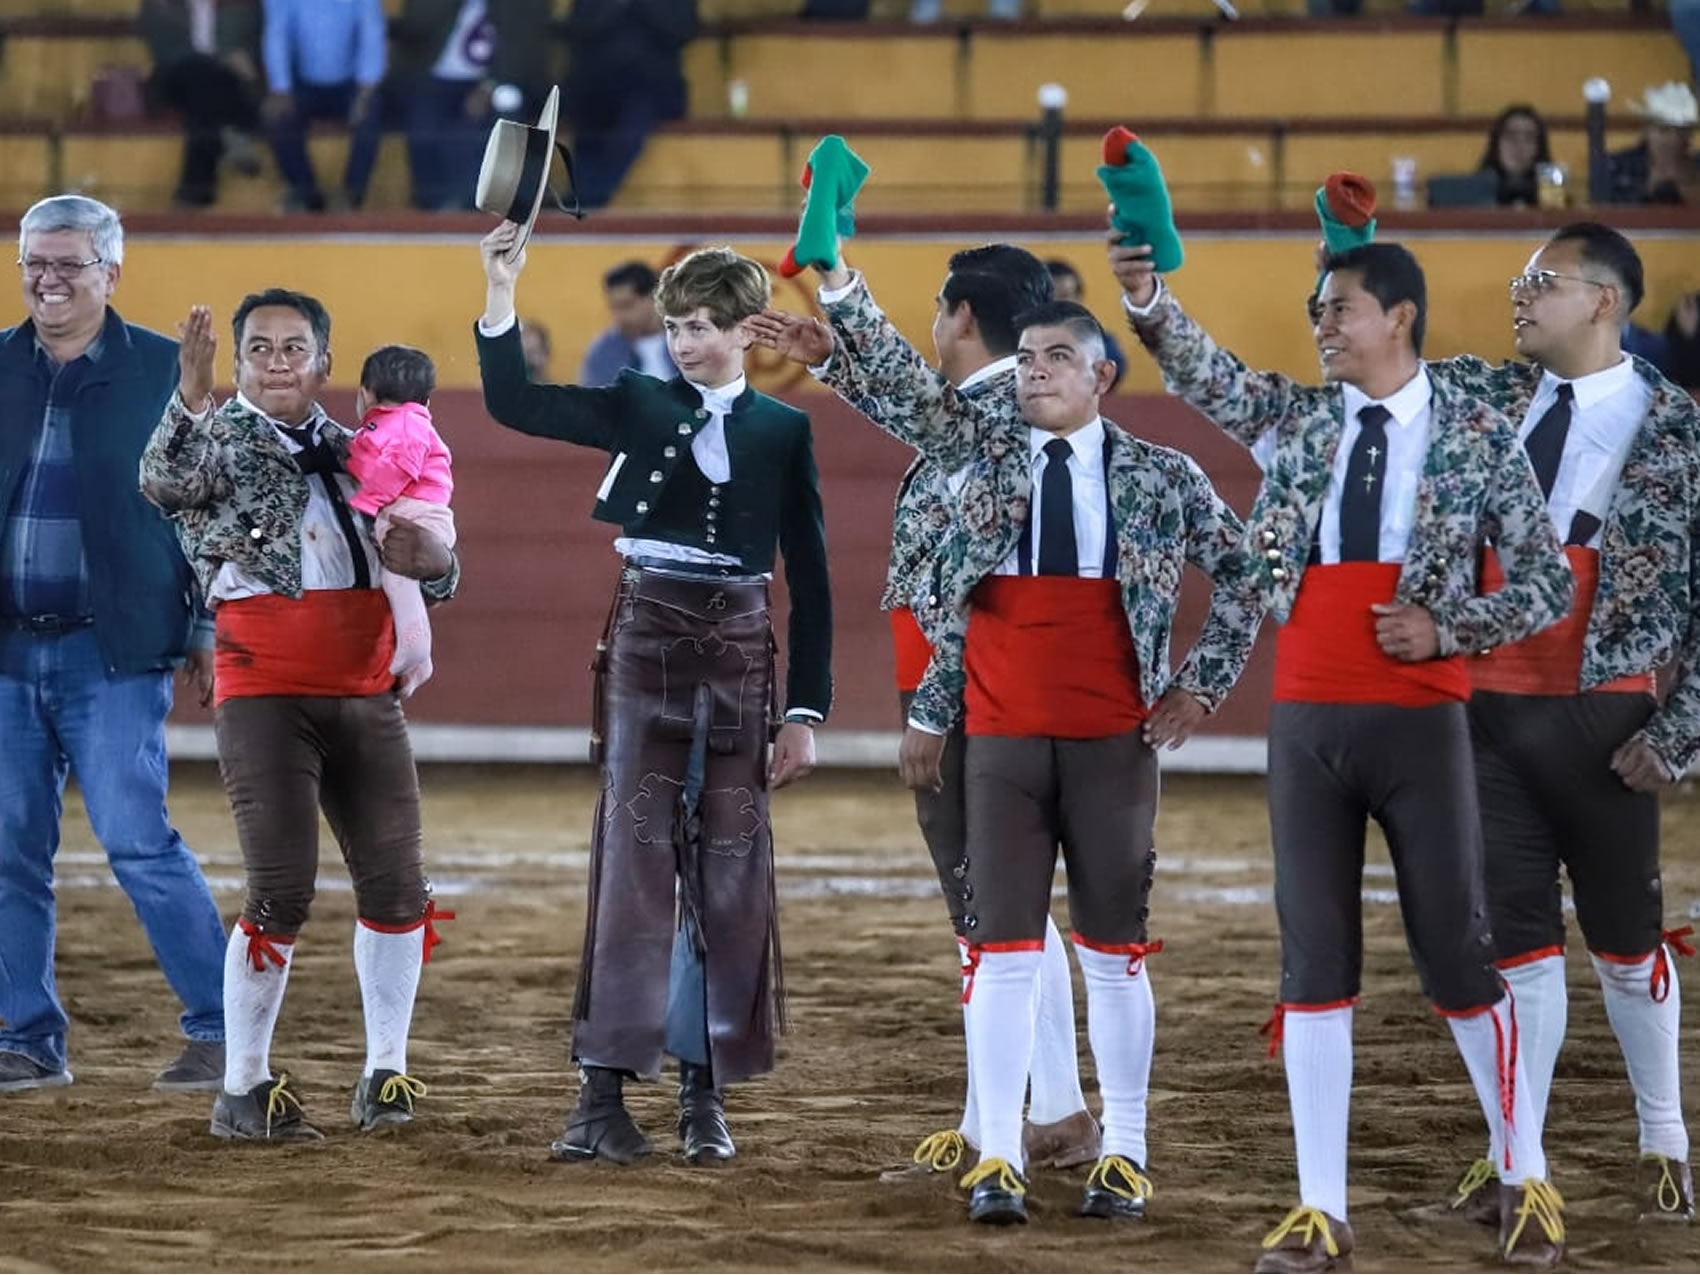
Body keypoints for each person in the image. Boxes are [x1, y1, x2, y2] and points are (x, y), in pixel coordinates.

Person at [752, 265, 1260, 1225]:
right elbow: (908, 392)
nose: (1034, 373)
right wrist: (844, 297)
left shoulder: (1160, 474)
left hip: (1115, 737)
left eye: (1059, 358)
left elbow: (1246, 573)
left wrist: (1201, 685)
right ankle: (997, 1153)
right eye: (1025, 358)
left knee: (1115, 954)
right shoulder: (981, 449)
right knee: (1002, 947)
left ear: (1103, 376)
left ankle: (1127, 1147)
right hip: (1005, 738)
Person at [1114, 237, 1575, 1270]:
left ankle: (1524, 1172)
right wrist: (1144, 297)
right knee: (1311, 962)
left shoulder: (1474, 436)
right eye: (1319, 312)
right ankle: (1320, 1208)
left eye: (1338, 310)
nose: (1321, 325)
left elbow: (1543, 586)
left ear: (1397, 319)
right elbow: (1205, 374)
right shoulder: (1300, 419)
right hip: (1309, 715)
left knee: (1455, 955)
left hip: (1418, 714)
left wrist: (1449, 625)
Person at [475, 225, 831, 1166]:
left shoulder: (785, 430)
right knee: (634, 862)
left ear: (748, 329)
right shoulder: (637, 401)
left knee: (730, 872)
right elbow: (515, 402)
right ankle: (600, 1096)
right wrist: (502, 290)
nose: (683, 343)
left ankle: (702, 1097)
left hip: (744, 651)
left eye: (703, 327)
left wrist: (806, 711)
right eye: (675, 326)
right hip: (647, 639)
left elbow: (817, 579)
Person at [759, 244, 1107, 1185]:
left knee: (991, 916)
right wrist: (835, 356)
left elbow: (923, 408)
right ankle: (1037, 1109)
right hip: (977, 684)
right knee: (1006, 910)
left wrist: (838, 287)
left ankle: (1037, 1114)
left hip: (967, 691)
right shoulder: (1001, 408)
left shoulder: (995, 412)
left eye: (936, 310)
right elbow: (919, 410)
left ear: (960, 316)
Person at [139, 288, 462, 1140]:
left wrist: (437, 558)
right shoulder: (212, 439)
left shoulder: (364, 449)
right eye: (260, 349)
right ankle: (243, 1087)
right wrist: (190, 390)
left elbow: (430, 557)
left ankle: (385, 1074)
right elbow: (161, 482)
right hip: (265, 685)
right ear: (238, 362)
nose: (276, 361)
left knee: (398, 886)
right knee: (280, 887)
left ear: (324, 362)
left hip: (363, 685)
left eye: (293, 348)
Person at [1427, 223, 1699, 1226]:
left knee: (1626, 945)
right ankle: (1516, 1162)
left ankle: (1662, 1137)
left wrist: (1676, 734)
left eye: (1539, 282)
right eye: (1516, 279)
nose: (1515, 295)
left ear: (1601, 299)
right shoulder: (1485, 400)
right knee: (1517, 947)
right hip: (1485, 715)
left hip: (1605, 722)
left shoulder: (1676, 429)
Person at [0, 194, 228, 1095]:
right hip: (7, 653)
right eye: (35, 265)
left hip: (114, 650)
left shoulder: (165, 373)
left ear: (111, 272)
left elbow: (209, 513)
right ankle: (27, 1036)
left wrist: (207, 624)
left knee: (138, 839)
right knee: (8, 848)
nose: (49, 281)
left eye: (68, 265)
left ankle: (221, 1026)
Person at [348, 345, 455, 697]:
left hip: (415, 514)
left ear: (364, 394)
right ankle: (420, 661)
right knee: (395, 576)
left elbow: (397, 467)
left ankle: (415, 646)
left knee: (397, 576)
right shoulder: (390, 425)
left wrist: (367, 500)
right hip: (409, 512)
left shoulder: (405, 424)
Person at [389, 0, 555, 212]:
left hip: (498, 81)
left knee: (502, 109)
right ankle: (433, 203)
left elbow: (523, 46)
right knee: (423, 121)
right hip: (437, 79)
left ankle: (472, 203)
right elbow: (416, 26)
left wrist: (489, 86)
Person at [562, 0, 697, 210]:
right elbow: (579, 26)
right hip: (597, 81)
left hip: (653, 85)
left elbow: (682, 29)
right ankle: (582, 192)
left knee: (636, 119)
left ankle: (589, 196)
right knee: (588, 113)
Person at [260, 0, 387, 211]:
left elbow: (372, 34)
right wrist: (281, 89)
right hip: (302, 82)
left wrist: (364, 92)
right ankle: (307, 196)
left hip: (352, 83)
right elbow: (276, 35)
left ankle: (351, 196)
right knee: (275, 116)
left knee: (371, 112)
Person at [139, 0, 265, 209]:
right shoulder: (161, 5)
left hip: (225, 82)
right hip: (176, 78)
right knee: (202, 73)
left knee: (206, 100)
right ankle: (235, 130)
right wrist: (223, 57)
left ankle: (195, 191)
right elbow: (164, 48)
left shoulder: (243, 5)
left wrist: (244, 60)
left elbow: (254, 40)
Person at [579, 261, 677, 386]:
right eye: (614, 307)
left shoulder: (688, 341)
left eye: (626, 305)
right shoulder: (605, 351)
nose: (619, 316)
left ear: (655, 297)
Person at [1607, 82, 1700, 206]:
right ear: (1646, 130)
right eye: (1663, 129)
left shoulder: (1696, 165)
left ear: (1688, 135)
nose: (1671, 139)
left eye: (1680, 131)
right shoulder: (1618, 165)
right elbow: (1605, 210)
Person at [1045, 259, 1128, 389]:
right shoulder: (1018, 341)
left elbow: (1115, 371)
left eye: (1067, 296)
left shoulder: (1097, 339)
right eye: (1053, 298)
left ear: (1078, 299)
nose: (1061, 304)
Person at [1477, 104, 1551, 208]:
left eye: (1529, 138)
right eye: (1511, 136)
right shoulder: (1473, 194)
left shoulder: (1554, 201)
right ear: (1496, 143)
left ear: (1540, 146)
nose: (1520, 146)